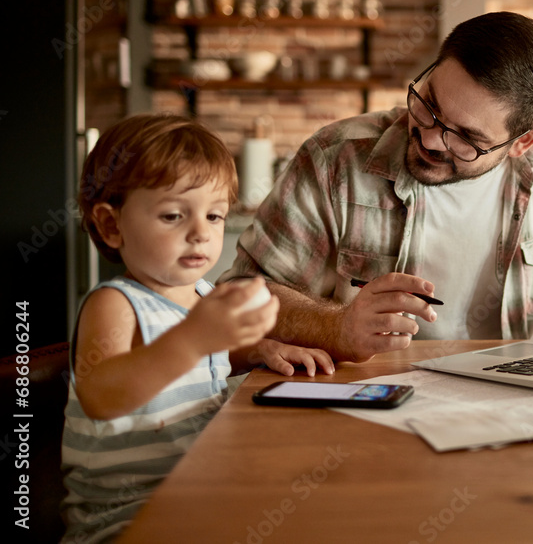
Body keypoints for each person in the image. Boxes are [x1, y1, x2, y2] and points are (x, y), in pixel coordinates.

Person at [223, 11, 533, 362]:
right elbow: (239, 295)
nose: (429, 140)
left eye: (465, 138)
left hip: (518, 396)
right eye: (430, 105)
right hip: (371, 393)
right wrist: (335, 326)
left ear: (523, 143)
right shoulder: (335, 159)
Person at [62, 114, 333, 544]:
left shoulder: (203, 294)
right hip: (127, 515)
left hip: (199, 491)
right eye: (173, 216)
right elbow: (100, 394)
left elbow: (211, 360)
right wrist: (193, 339)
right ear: (111, 225)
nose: (200, 234)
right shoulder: (115, 304)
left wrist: (259, 350)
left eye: (214, 215)